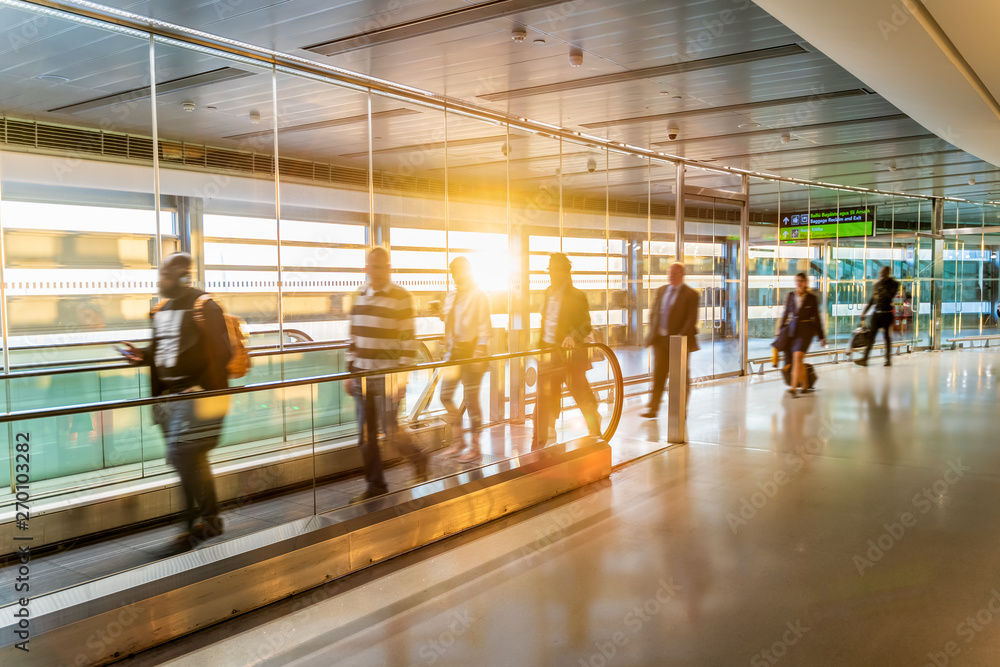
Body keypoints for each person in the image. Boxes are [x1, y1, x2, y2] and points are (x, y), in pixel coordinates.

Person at [120, 253, 231, 550]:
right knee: (188, 458)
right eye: (161, 275)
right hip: (169, 399)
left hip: (198, 397)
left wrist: (200, 387)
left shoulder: (205, 306)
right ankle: (210, 519)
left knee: (181, 454)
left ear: (183, 275)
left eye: (166, 276)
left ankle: (196, 524)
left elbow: (223, 353)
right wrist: (140, 355)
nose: (160, 281)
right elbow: (160, 349)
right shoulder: (161, 309)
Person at [345, 247, 428, 502]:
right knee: (365, 435)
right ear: (366, 268)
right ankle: (376, 486)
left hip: (388, 376)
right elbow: (353, 336)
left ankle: (418, 456)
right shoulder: (358, 294)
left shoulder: (402, 297)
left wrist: (401, 379)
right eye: (374, 267)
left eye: (384, 267)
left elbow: (408, 340)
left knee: (390, 430)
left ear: (389, 268)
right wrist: (350, 371)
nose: (379, 272)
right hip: (361, 376)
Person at [532, 253, 601, 450]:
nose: (551, 274)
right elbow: (546, 324)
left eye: (555, 270)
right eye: (550, 270)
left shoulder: (577, 296)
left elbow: (586, 325)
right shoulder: (547, 292)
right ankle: (539, 443)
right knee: (543, 400)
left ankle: (595, 429)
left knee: (580, 394)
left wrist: (573, 337)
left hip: (569, 356)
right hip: (549, 355)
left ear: (565, 272)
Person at [438, 257, 492, 463]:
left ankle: (475, 447)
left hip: (471, 352)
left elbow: (484, 326)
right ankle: (459, 441)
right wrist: (443, 316)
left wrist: (480, 351)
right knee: (445, 395)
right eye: (452, 272)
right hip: (453, 352)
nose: (454, 276)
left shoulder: (478, 295)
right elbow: (451, 318)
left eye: (457, 272)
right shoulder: (452, 295)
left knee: (471, 399)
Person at [641, 262, 700, 418]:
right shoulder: (661, 290)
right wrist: (652, 333)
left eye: (674, 273)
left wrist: (680, 337)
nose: (671, 276)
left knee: (680, 377)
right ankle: (653, 408)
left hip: (679, 342)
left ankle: (681, 409)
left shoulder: (691, 294)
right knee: (658, 374)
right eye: (669, 273)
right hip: (660, 340)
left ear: (682, 275)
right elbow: (654, 313)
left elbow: (691, 319)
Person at [778, 272, 827, 397]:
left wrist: (821, 336)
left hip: (806, 332)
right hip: (793, 332)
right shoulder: (790, 296)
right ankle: (804, 385)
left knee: (797, 357)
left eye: (801, 280)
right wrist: (781, 330)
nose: (799, 283)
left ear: (806, 282)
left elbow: (816, 318)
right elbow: (785, 314)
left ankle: (794, 388)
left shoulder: (811, 298)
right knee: (798, 359)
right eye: (797, 280)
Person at [856, 266, 900, 367]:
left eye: (883, 272)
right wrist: (864, 312)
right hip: (877, 314)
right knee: (871, 336)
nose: (881, 274)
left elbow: (890, 296)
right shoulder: (877, 284)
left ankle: (888, 360)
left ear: (888, 273)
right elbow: (872, 300)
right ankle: (865, 359)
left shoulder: (894, 284)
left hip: (887, 314)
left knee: (887, 338)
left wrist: (883, 286)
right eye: (880, 272)